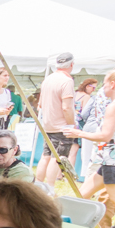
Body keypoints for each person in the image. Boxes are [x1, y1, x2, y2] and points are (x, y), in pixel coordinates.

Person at [66, 65, 115, 225]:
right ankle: (63, 223)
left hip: (113, 161)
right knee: (81, 194)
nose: (102, 87)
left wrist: (79, 133)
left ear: (113, 84)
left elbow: (105, 136)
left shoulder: (114, 106)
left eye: (105, 84)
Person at [37, 53, 77, 186]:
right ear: (71, 64)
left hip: (48, 124)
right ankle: (50, 188)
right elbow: (67, 107)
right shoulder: (67, 81)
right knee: (57, 159)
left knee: (45, 156)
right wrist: (71, 125)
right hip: (62, 126)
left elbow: (40, 104)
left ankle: (38, 185)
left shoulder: (47, 79)